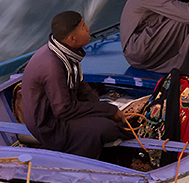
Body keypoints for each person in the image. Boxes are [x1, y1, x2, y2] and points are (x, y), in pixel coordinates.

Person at [21, 11, 131, 159]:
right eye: (83, 27)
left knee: (109, 119)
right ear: (72, 38)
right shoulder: (53, 66)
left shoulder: (64, 52)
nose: (88, 27)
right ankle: (81, 161)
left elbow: (81, 87)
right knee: (107, 128)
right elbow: (63, 110)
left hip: (60, 112)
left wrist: (104, 109)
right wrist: (108, 110)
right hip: (49, 125)